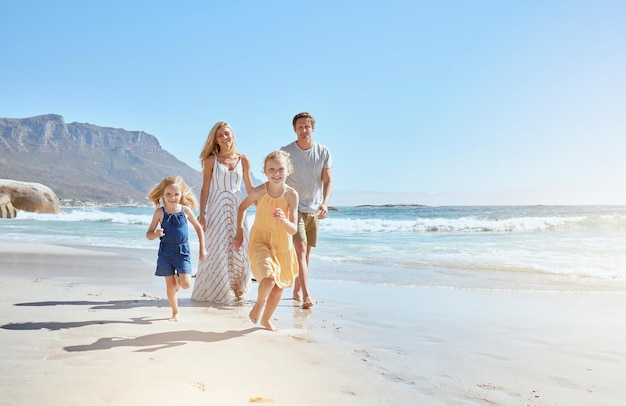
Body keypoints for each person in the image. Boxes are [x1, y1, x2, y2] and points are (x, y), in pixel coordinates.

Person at [233, 150, 299, 331]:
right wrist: (239, 232)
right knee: (269, 279)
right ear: (265, 171)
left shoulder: (291, 195)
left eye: (280, 169)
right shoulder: (259, 192)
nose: (276, 174)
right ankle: (259, 302)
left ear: (288, 171)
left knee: (279, 287)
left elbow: (293, 229)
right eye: (272, 170)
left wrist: (284, 220)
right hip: (261, 241)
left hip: (283, 245)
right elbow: (242, 207)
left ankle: (266, 319)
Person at [192, 122, 254, 303]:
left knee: (241, 246)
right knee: (217, 246)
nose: (224, 138)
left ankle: (238, 287)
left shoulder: (243, 160)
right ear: (215, 139)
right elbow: (205, 189)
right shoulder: (211, 160)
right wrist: (202, 213)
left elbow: (249, 187)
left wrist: (264, 201)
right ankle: (218, 288)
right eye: (220, 135)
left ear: (233, 135)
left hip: (237, 206)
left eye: (226, 134)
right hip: (217, 206)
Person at [281, 112, 333, 309]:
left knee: (306, 254)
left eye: (307, 126)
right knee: (301, 250)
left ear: (313, 128)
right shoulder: (286, 152)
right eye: (300, 126)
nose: (304, 130)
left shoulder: (323, 151)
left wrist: (325, 203)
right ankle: (306, 295)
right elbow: (279, 178)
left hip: (314, 209)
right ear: (295, 129)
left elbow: (328, 181)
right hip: (294, 208)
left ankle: (296, 289)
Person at [146, 175, 207, 321]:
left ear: (181, 194)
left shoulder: (185, 210)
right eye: (168, 194)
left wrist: (202, 248)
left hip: (182, 251)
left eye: (176, 194)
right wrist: (156, 234)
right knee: (170, 285)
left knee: (185, 284)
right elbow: (148, 234)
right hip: (165, 253)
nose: (172, 198)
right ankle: (175, 312)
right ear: (162, 194)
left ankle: (177, 280)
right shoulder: (160, 212)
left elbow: (199, 228)